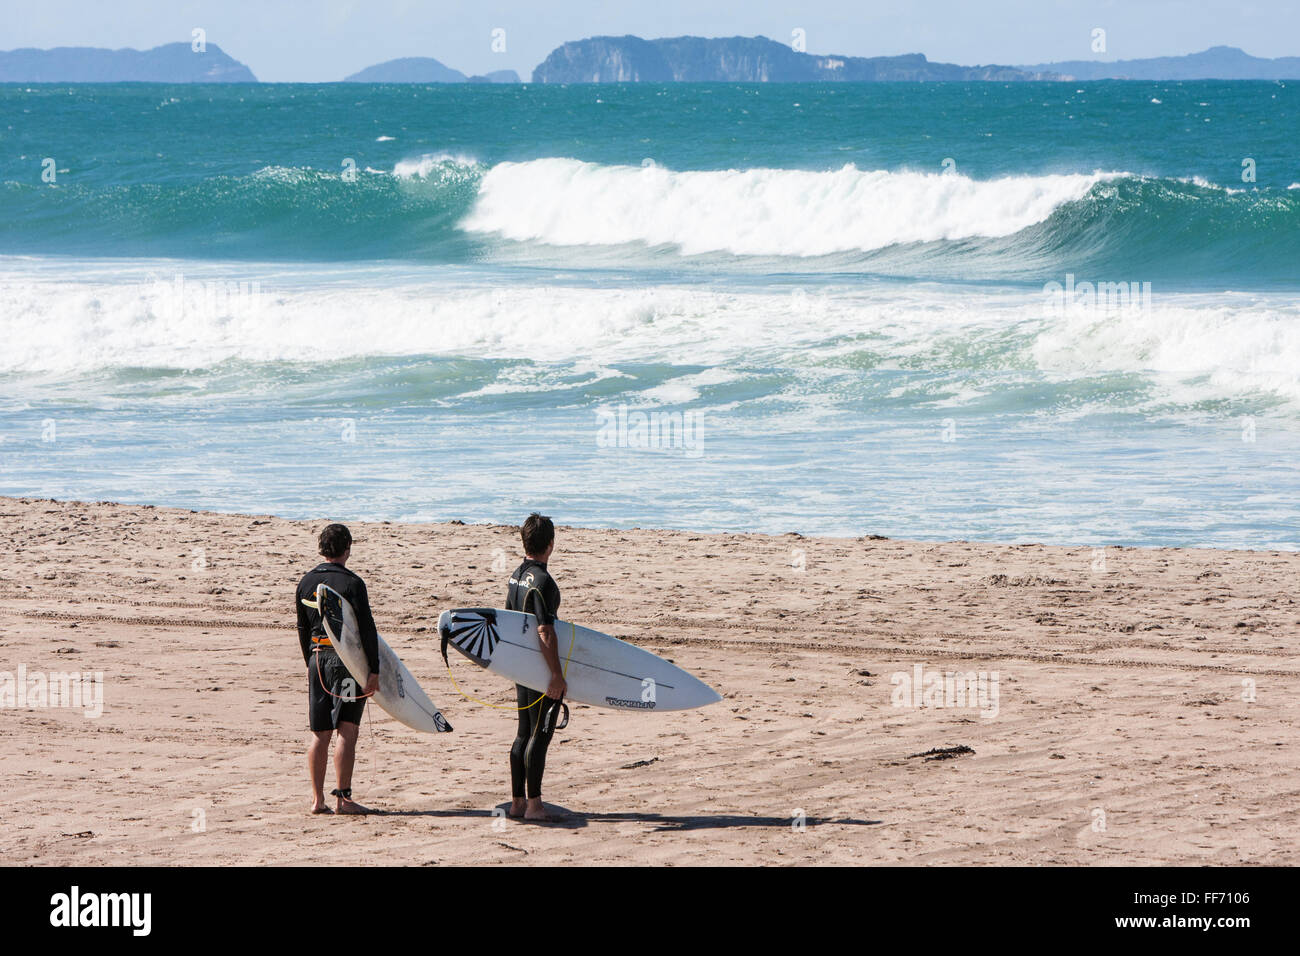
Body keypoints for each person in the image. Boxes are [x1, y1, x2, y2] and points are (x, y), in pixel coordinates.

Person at [295, 523, 379, 815]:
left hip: (317, 657)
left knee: (320, 734)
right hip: (346, 662)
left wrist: (309, 661)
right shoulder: (353, 584)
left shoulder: (305, 582)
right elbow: (366, 631)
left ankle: (318, 800)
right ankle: (344, 799)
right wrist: (374, 670)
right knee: (347, 730)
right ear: (348, 549)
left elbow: (302, 628)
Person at [506, 513, 567, 822]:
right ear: (551, 545)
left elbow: (507, 623)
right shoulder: (544, 582)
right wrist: (556, 674)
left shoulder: (515, 575)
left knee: (523, 734)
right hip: (539, 670)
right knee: (539, 737)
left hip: (520, 667)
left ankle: (517, 803)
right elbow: (545, 630)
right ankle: (534, 806)